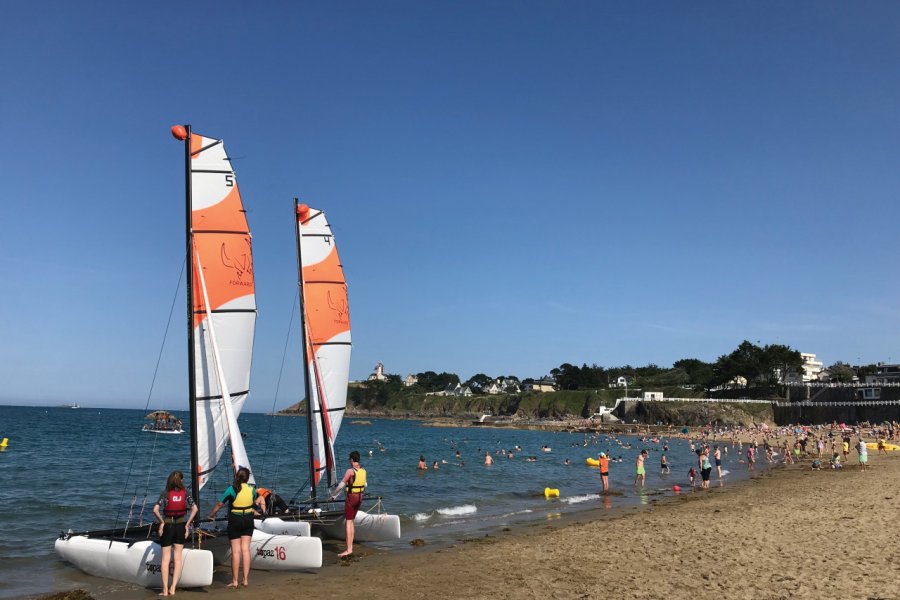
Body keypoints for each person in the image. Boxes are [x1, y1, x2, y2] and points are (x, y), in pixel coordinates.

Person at [207, 467, 264, 588]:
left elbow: (219, 504)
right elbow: (253, 500)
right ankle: (245, 580)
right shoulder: (252, 489)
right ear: (247, 478)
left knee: (236, 551)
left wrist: (212, 515)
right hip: (248, 520)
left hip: (235, 521)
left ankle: (235, 581)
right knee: (246, 550)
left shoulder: (231, 489)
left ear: (237, 476)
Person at [152, 470, 198, 597]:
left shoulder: (165, 493)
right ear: (180, 481)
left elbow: (155, 510)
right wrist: (187, 525)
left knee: (165, 559)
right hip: (180, 527)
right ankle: (173, 588)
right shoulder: (186, 493)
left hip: (168, 526)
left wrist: (161, 522)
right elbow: (195, 508)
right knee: (178, 559)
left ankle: (165, 590)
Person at [330, 451, 366, 557]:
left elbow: (341, 485)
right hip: (360, 498)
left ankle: (348, 549)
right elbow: (363, 484)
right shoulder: (363, 470)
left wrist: (333, 494)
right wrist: (337, 496)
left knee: (348, 523)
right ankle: (351, 547)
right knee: (352, 522)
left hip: (352, 499)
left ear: (351, 460)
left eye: (349, 460)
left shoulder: (350, 471)